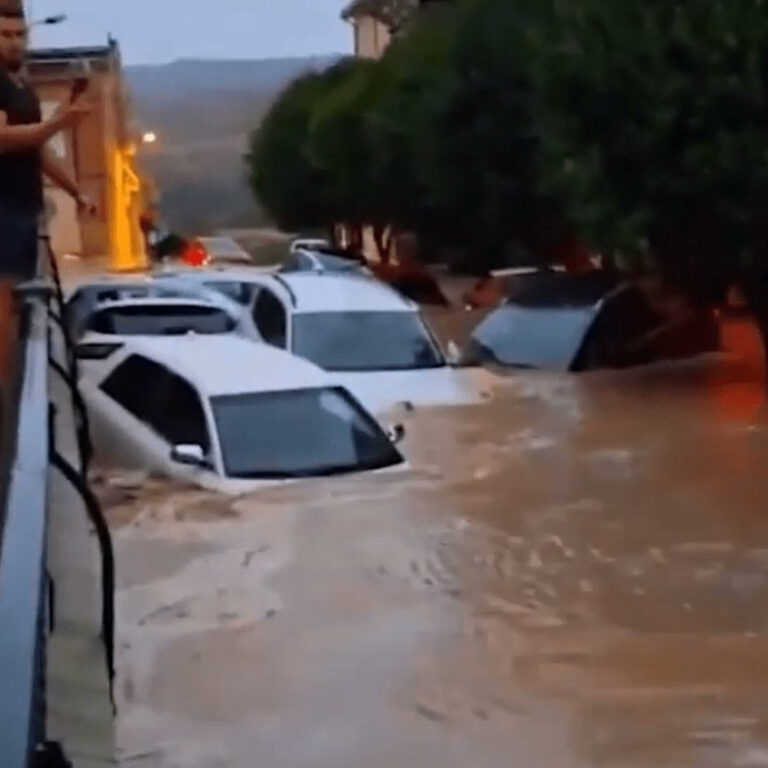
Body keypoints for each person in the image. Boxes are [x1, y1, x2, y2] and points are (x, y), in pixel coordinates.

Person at [0, 8, 93, 379]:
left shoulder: (20, 85)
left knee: (21, 307)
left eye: (19, 34)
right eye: (5, 34)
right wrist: (60, 121)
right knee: (4, 308)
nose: (14, 41)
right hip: (3, 210)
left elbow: (36, 150)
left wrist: (77, 192)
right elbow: (4, 140)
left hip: (24, 209)